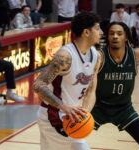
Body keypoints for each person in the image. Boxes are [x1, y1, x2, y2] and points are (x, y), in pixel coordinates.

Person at [91, 21, 139, 149]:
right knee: (70, 137)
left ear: (126, 37)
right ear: (107, 37)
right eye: (111, 33)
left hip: (124, 109)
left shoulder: (135, 55)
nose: (115, 36)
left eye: (119, 33)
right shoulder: (99, 56)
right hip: (98, 108)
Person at [33, 12, 103, 150]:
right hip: (53, 117)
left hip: (73, 118)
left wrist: (84, 114)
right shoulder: (65, 57)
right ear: (86, 32)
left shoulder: (96, 56)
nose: (101, 32)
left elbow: (91, 90)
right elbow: (38, 85)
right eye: (97, 28)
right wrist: (63, 106)